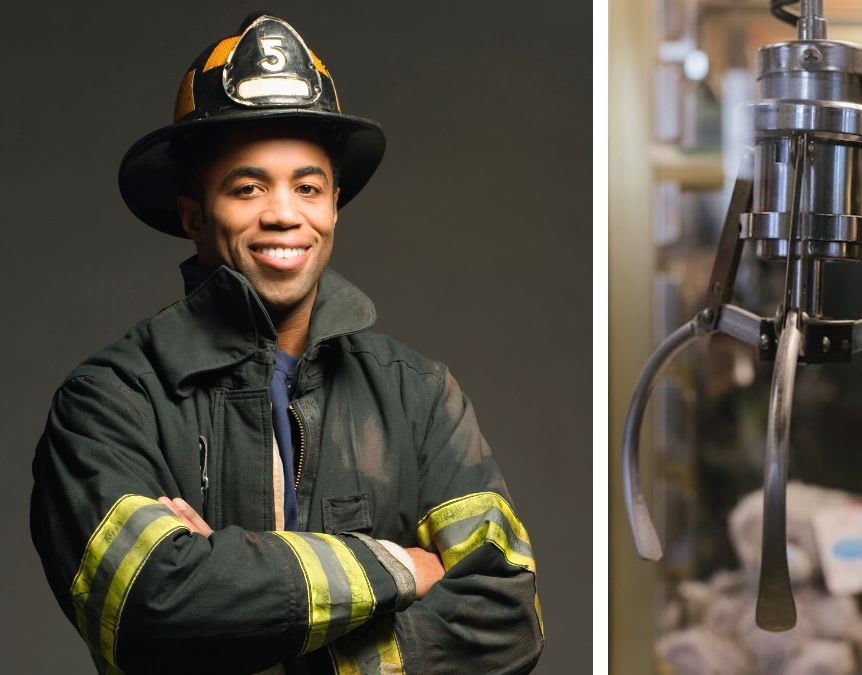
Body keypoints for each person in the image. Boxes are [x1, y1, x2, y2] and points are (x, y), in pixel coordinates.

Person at [28, 14, 543, 675]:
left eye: (307, 186)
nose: (283, 213)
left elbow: (508, 616)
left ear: (333, 207)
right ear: (195, 214)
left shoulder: (417, 394)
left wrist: (260, 615)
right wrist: (401, 568)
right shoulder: (108, 402)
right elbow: (152, 604)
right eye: (248, 187)